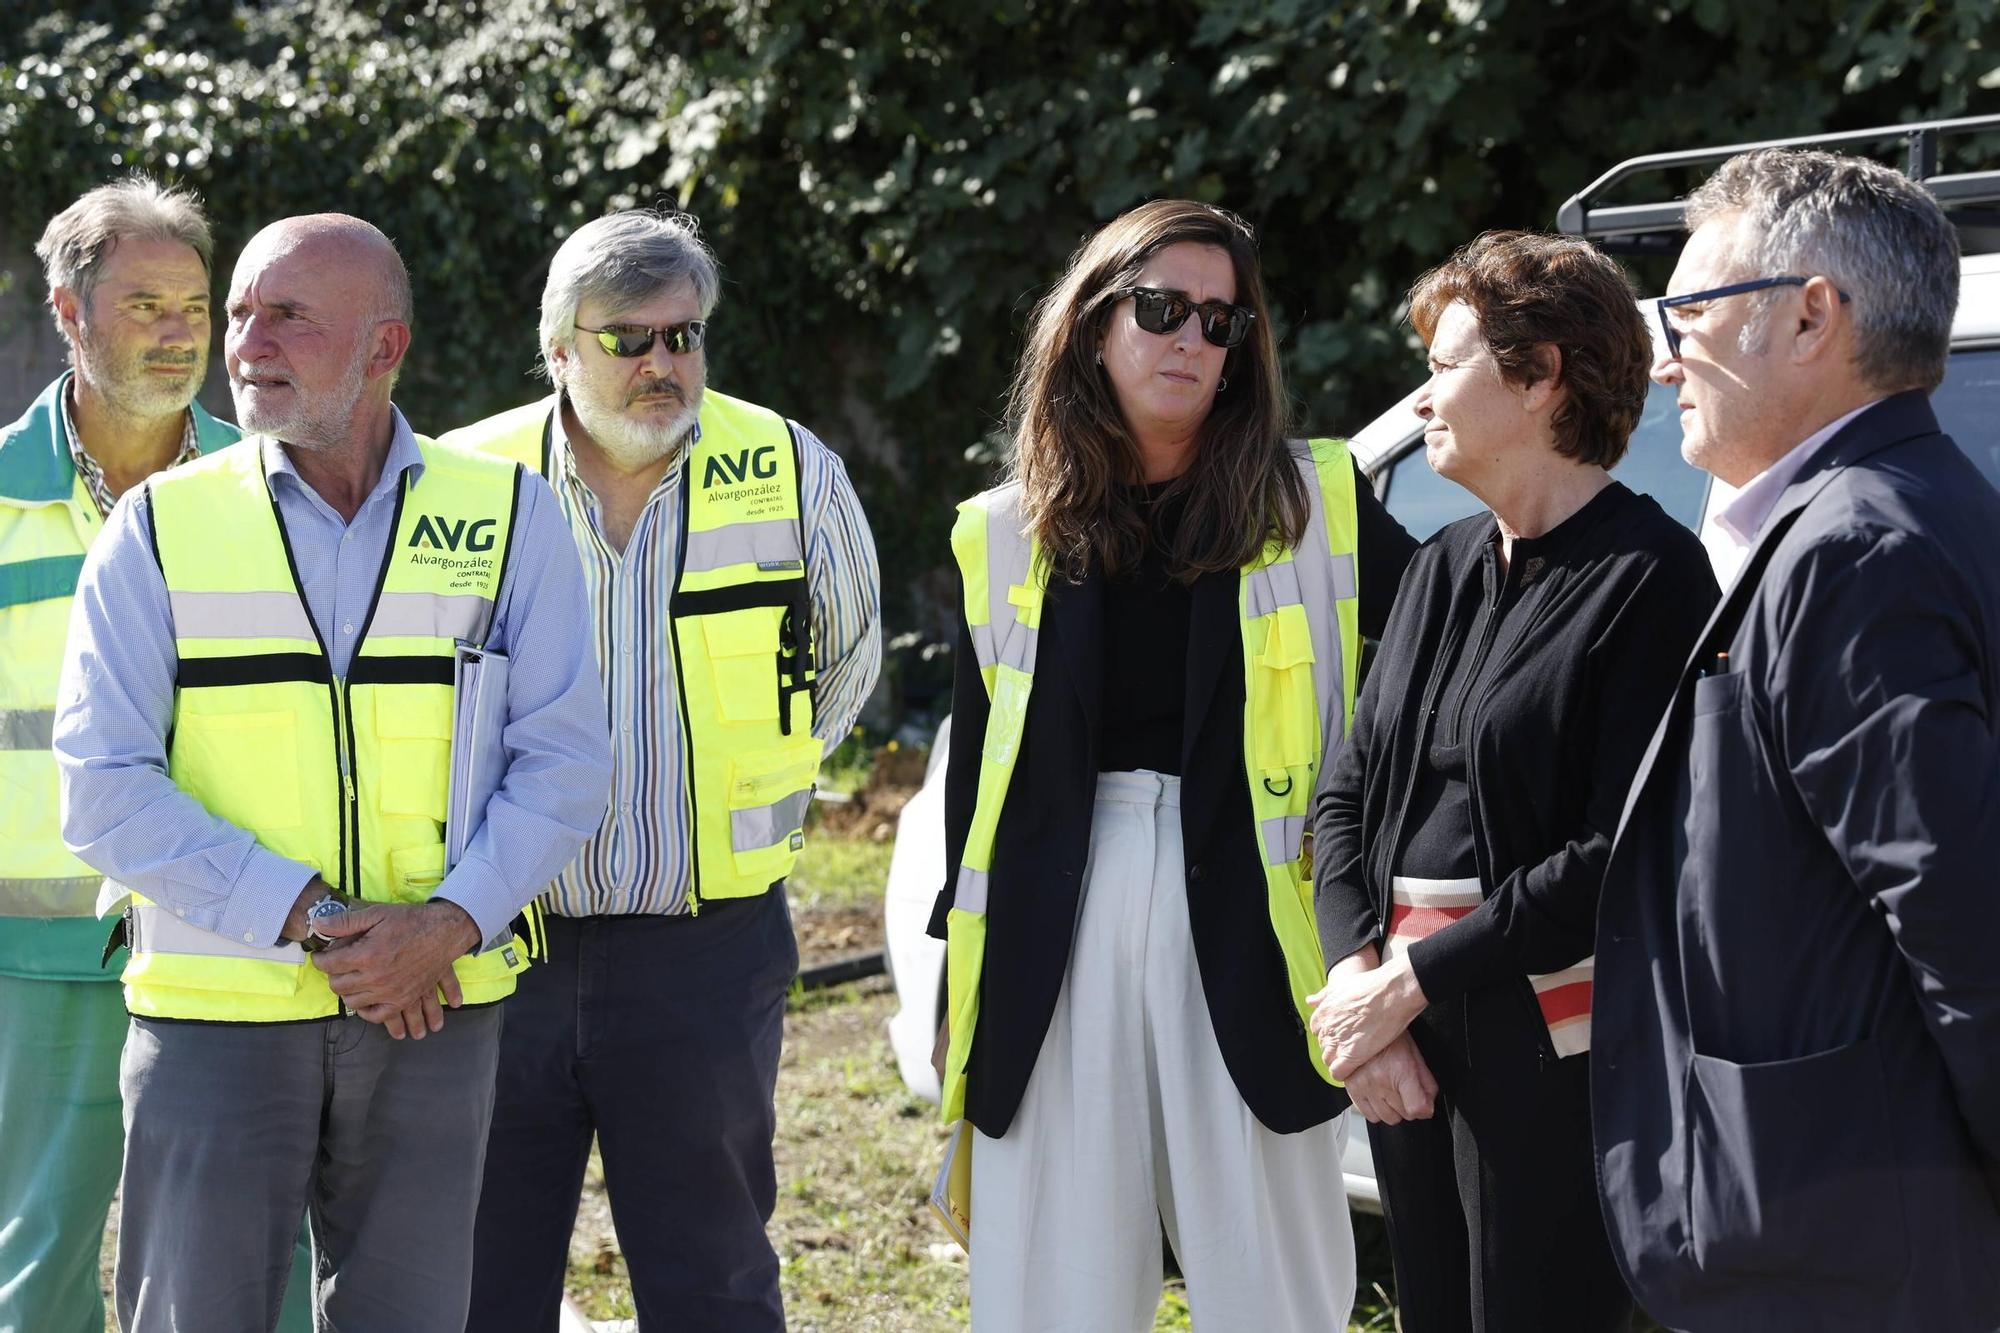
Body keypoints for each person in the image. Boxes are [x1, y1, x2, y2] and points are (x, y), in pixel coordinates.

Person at [53, 213, 613, 1332]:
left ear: (384, 344)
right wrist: (314, 919)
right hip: (216, 1010)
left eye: (289, 315)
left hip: (435, 1004)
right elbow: (101, 786)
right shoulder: (159, 528)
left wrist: (447, 924)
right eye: (242, 314)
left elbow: (563, 757)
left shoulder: (508, 516)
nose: (247, 341)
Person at [929, 198, 1417, 1331]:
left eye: (1221, 321)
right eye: (1161, 311)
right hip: (1052, 919)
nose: (1193, 342)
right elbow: (974, 796)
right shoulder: (998, 530)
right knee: (1053, 1274)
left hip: (1254, 912)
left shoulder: (1313, 500)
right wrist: (967, 995)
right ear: (1092, 324)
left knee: (1270, 1274)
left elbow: (1455, 649)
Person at [438, 209, 881, 1331]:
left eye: (682, 337)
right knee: (479, 1277)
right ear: (558, 350)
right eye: (627, 339)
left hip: (706, 952)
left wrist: (730, 782)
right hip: (497, 949)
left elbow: (843, 667)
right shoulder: (461, 484)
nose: (661, 364)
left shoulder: (786, 468)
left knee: (713, 1277)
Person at [1593, 148, 2000, 1331]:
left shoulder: (1852, 548)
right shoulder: (1898, 507)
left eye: (1687, 310)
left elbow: (1958, 916)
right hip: (1847, 1212)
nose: (1664, 354)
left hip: (1854, 1236)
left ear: (1811, 316)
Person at [1307, 231, 1717, 1332]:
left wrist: (1411, 981)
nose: (1422, 393)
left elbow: (1614, 851)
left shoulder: (1652, 578)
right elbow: (1345, 793)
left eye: (1445, 364)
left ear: (1540, 378)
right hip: (1403, 1029)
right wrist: (1366, 996)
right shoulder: (1441, 564)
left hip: (1549, 1046)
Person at [0, 177, 314, 1333]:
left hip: (238, 935)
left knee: (260, 1256)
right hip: (33, 957)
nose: (181, 333)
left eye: (195, 305)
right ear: (68, 313)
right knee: (39, 1266)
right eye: (145, 306)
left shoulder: (274, 489)